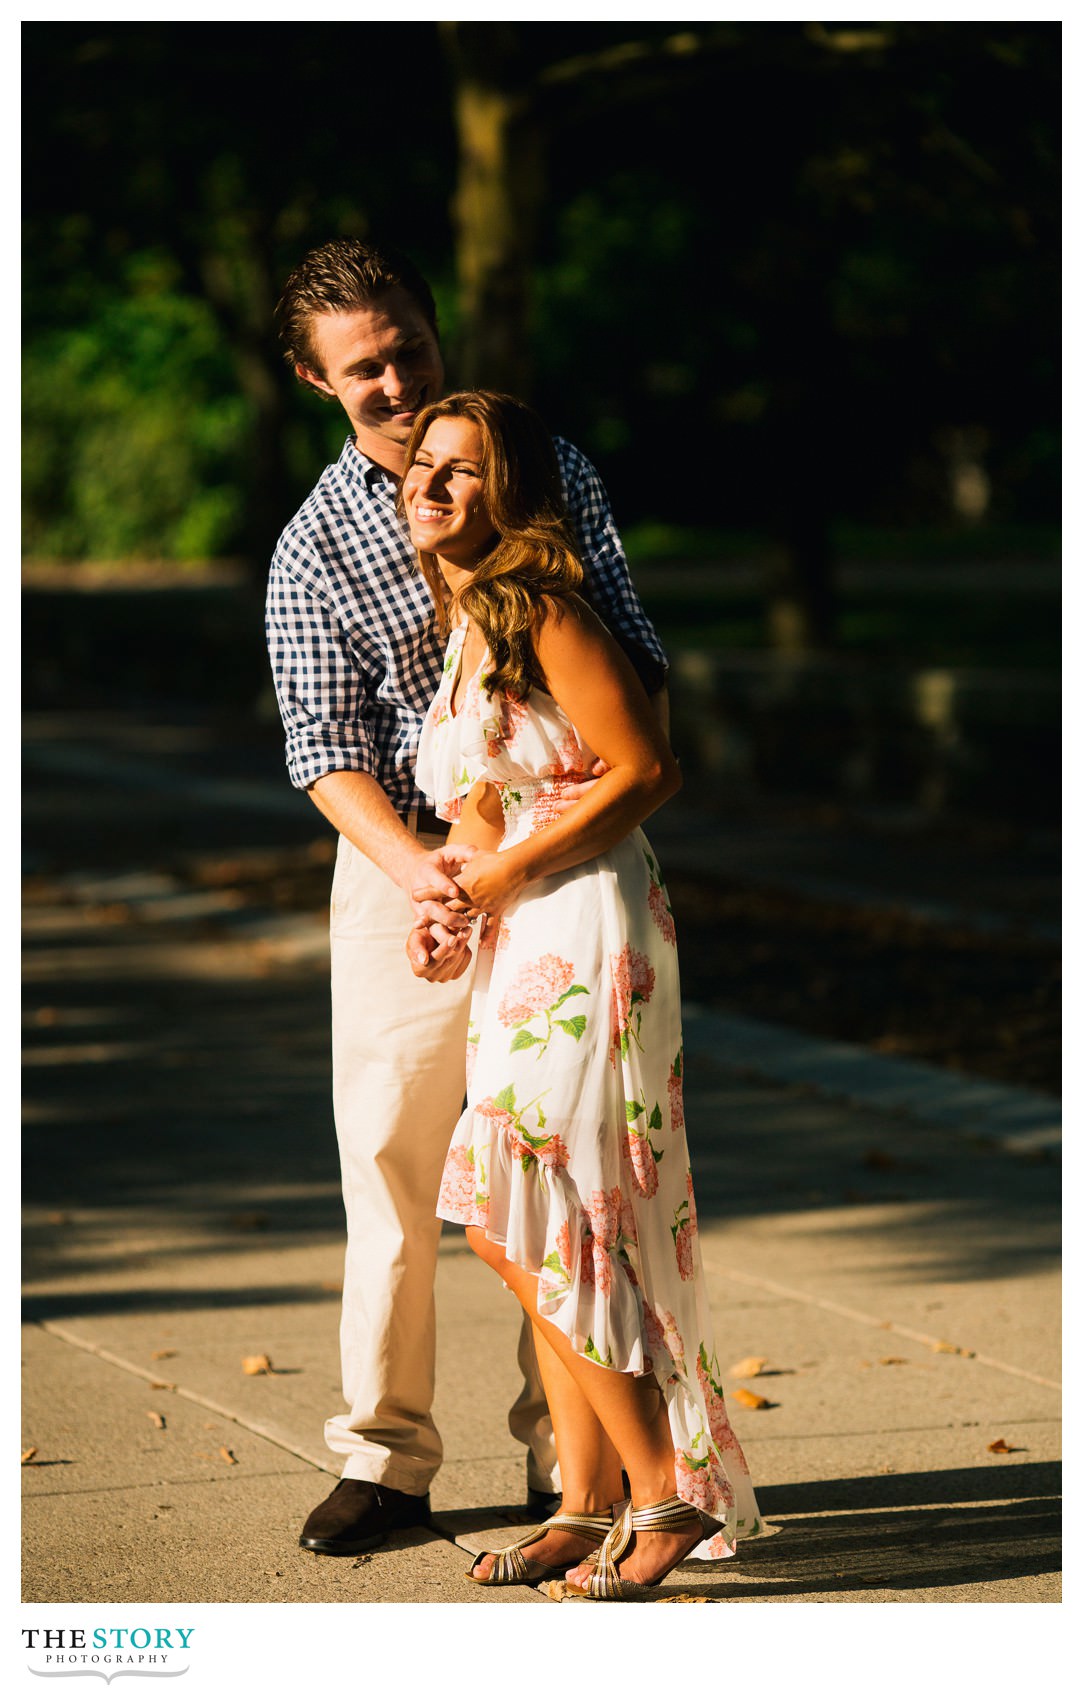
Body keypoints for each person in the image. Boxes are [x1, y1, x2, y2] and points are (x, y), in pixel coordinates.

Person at [265, 238, 669, 1556]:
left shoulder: (537, 466)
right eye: (361, 368)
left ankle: (579, 1455)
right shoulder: (313, 543)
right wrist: (424, 872)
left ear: (435, 336)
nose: (391, 381)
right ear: (315, 382)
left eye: (407, 350)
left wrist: (550, 844)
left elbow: (632, 660)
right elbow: (320, 746)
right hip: (403, 861)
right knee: (394, 1156)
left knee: (555, 1164)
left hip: (557, 859)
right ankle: (386, 1457)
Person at [404, 390, 765, 1598]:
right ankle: (584, 1497)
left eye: (464, 470)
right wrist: (453, 894)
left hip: (588, 917)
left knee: (539, 1192)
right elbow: (491, 793)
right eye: (425, 465)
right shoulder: (467, 622)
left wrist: (502, 870)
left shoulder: (543, 606)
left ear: (512, 497)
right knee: (528, 1200)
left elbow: (648, 766)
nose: (434, 484)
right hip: (522, 926)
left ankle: (661, 1485)